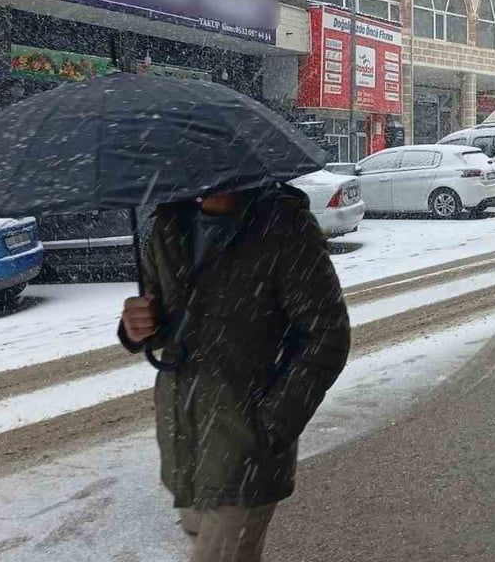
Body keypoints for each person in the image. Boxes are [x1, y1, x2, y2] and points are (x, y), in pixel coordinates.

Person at [120, 185, 351, 562]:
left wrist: (271, 425)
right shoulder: (169, 224)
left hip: (246, 446)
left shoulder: (282, 226)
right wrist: (135, 324)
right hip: (185, 437)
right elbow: (162, 319)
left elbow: (327, 335)